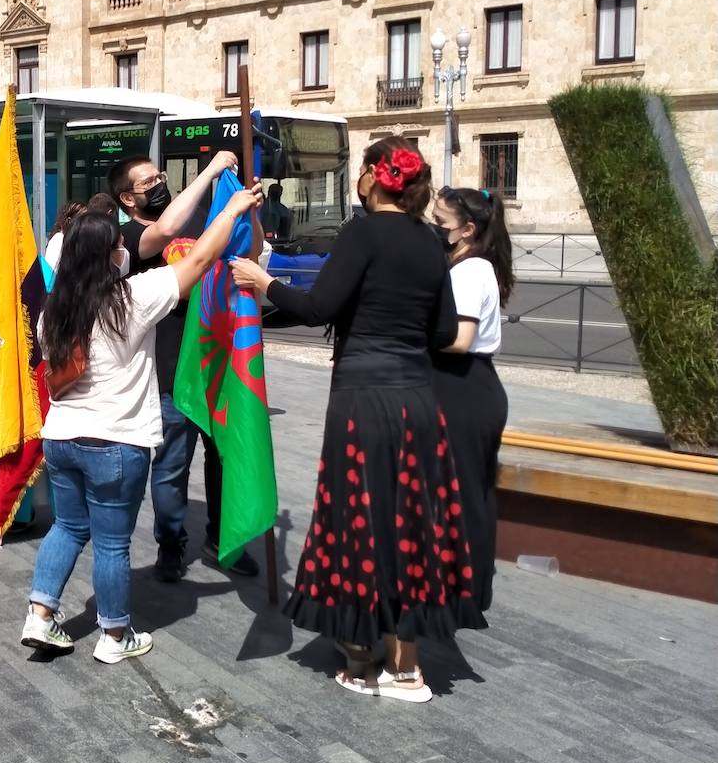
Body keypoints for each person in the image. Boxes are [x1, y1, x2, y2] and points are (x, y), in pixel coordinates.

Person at [230, 141, 479, 704]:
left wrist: (262, 282)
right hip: (417, 399)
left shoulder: (363, 233)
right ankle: (408, 666)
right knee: (410, 524)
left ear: (372, 177)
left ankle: (365, 654)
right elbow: (442, 333)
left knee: (362, 521)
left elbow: (318, 308)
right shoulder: (429, 241)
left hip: (363, 399)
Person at [21, 180, 264, 663]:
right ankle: (114, 636)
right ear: (109, 255)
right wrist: (234, 208)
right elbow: (197, 263)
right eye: (118, 245)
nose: (124, 250)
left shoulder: (54, 312)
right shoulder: (130, 299)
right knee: (112, 544)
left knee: (67, 528)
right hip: (116, 441)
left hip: (62, 439)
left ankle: (40, 615)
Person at [108, 151, 264, 582]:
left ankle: (222, 539)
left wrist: (248, 212)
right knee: (173, 464)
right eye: (149, 181)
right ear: (127, 199)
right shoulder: (128, 239)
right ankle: (171, 543)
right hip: (170, 370)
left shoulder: (200, 221)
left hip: (218, 363)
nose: (161, 182)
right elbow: (166, 229)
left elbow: (245, 251)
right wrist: (211, 171)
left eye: (162, 175)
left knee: (223, 458)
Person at [430, 186, 514, 613]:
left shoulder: (469, 271)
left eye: (440, 222)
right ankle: (461, 584)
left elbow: (460, 340)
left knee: (464, 494)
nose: (434, 227)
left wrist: (407, 335)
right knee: (466, 492)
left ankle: (464, 589)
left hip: (463, 386)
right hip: (470, 387)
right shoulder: (469, 265)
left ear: (467, 229)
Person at [43, 200, 88, 276]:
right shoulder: (58, 240)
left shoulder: (79, 242)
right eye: (82, 221)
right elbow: (50, 273)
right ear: (70, 221)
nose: (86, 225)